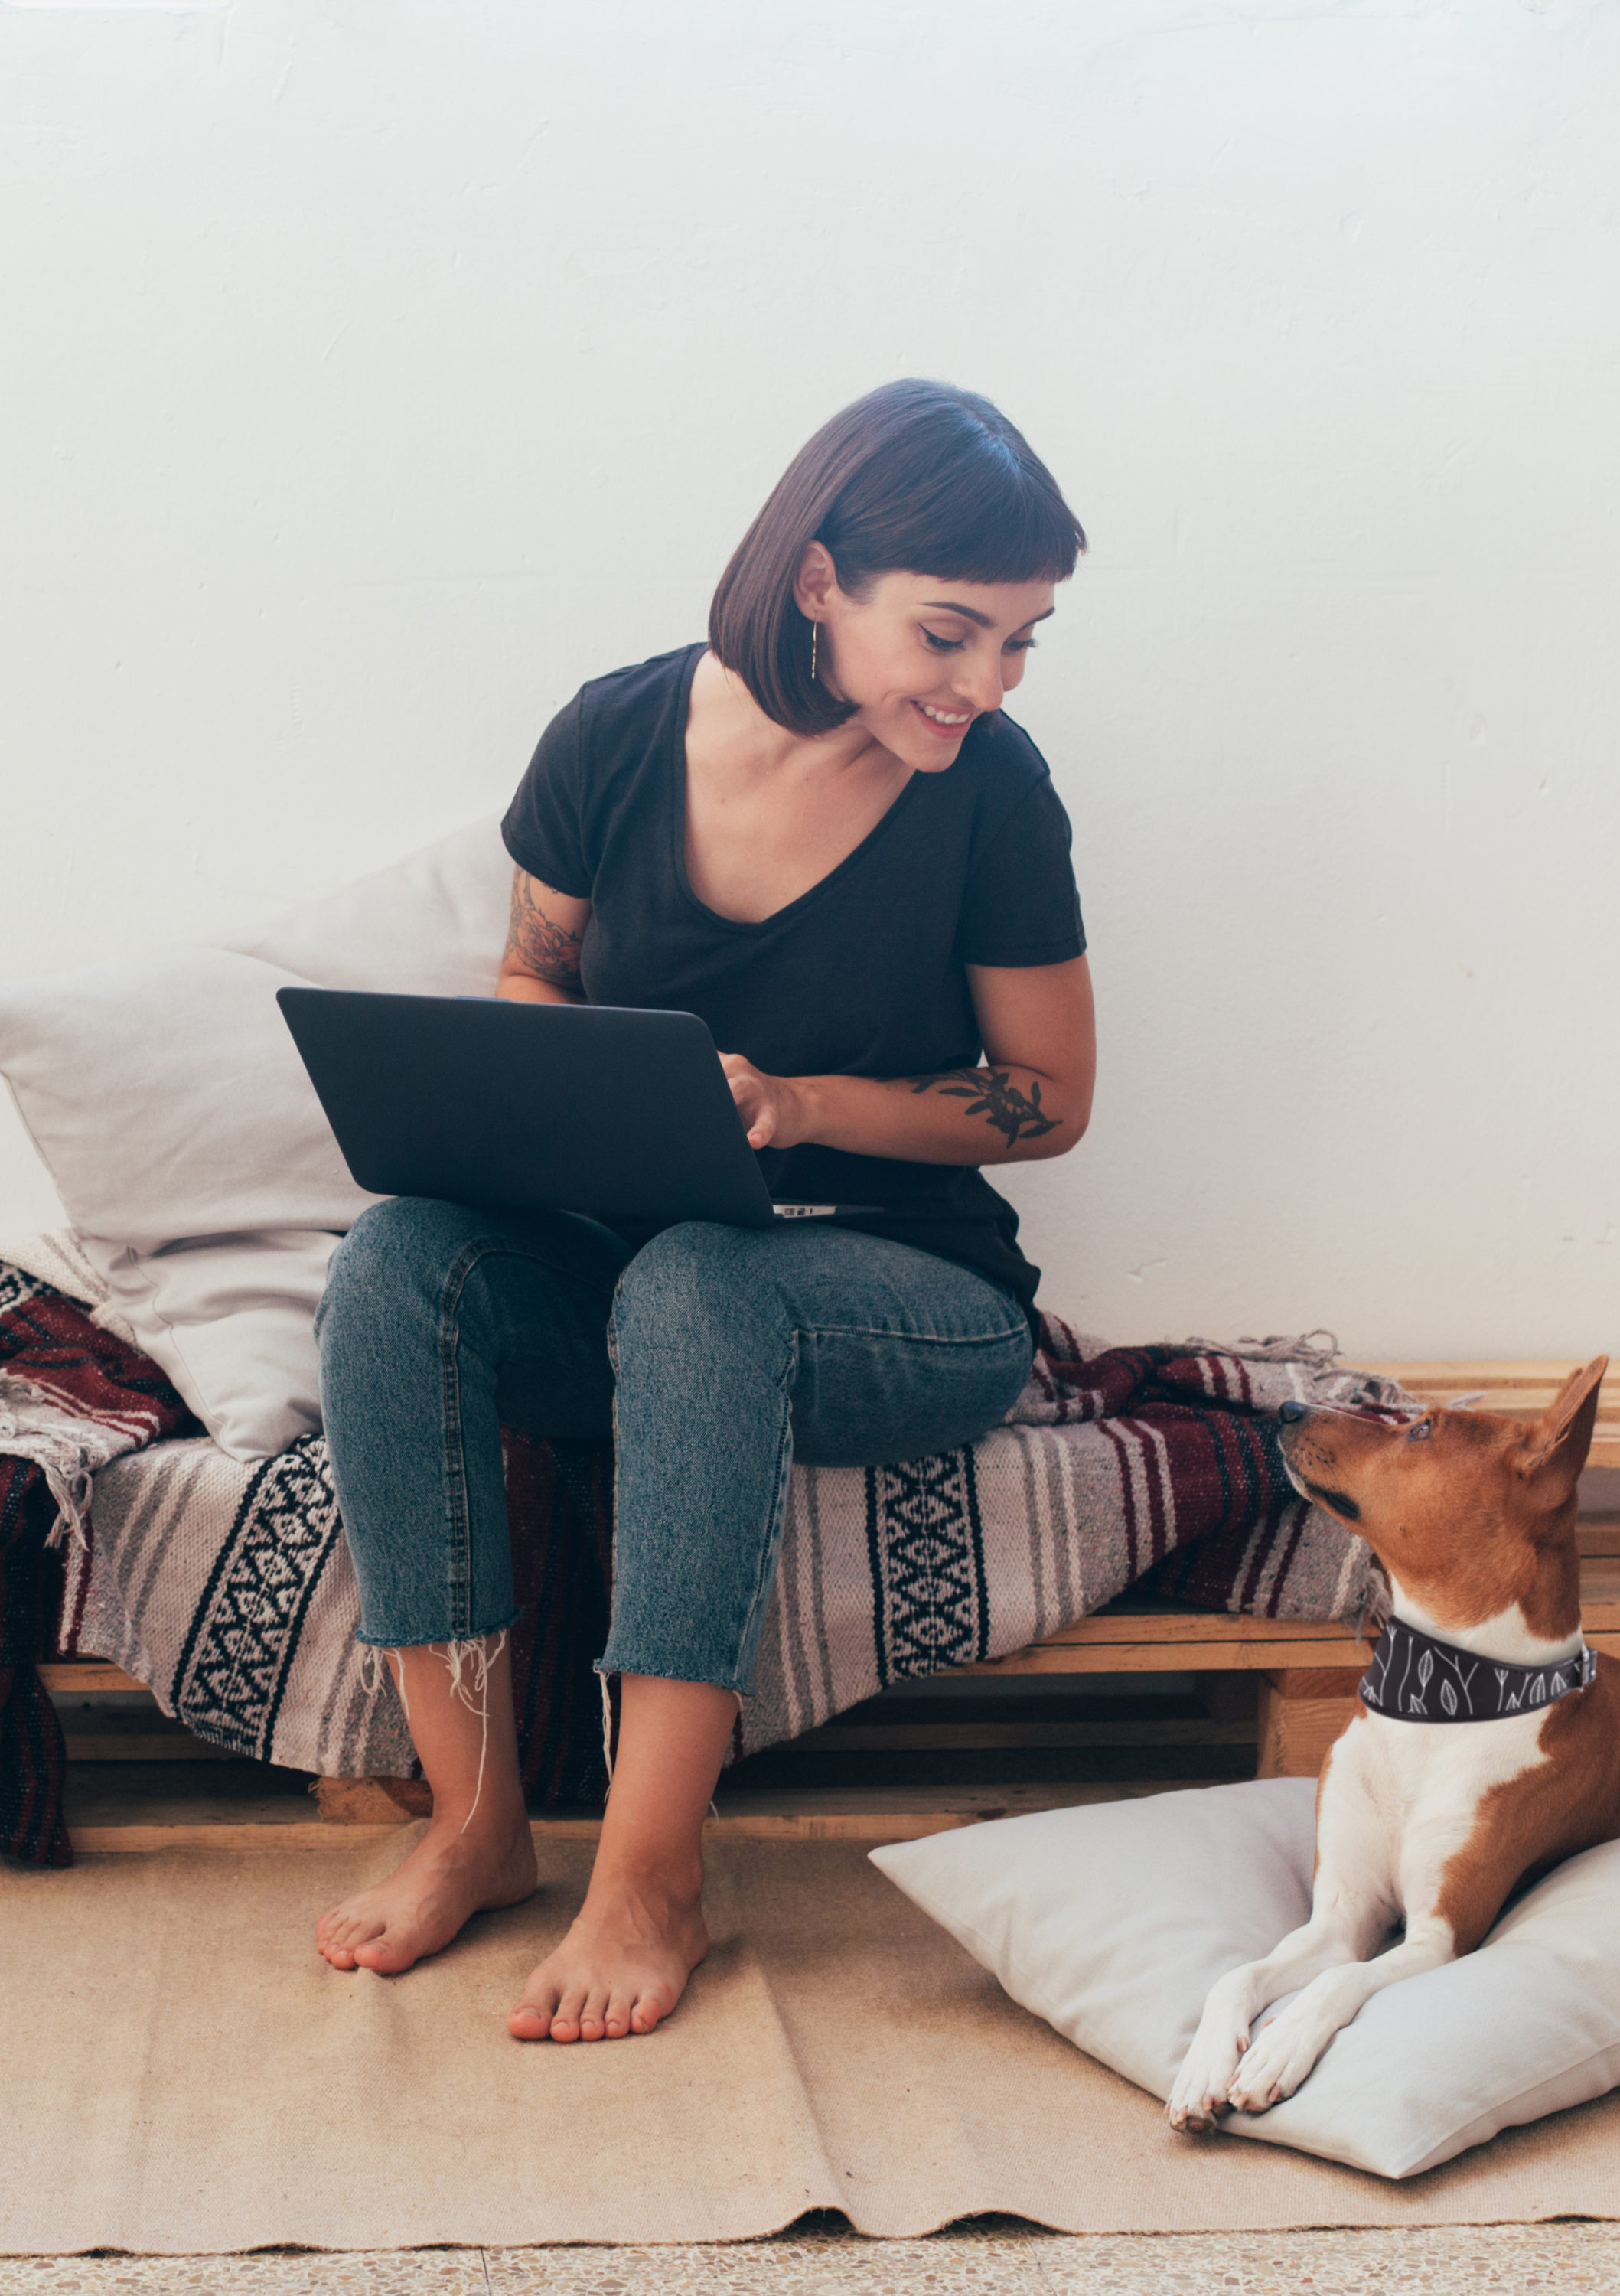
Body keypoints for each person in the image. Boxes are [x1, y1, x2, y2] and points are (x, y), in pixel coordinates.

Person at [310, 379, 1095, 2042]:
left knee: (697, 1283)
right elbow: (537, 969)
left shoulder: (993, 791)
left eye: (1022, 642)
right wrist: (555, 1117)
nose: (985, 684)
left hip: (914, 1299)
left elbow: (1048, 1100)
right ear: (817, 582)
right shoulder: (613, 734)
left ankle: (649, 1872)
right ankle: (478, 1829)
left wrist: (798, 1109)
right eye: (951, 635)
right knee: (399, 1264)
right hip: (642, 1255)